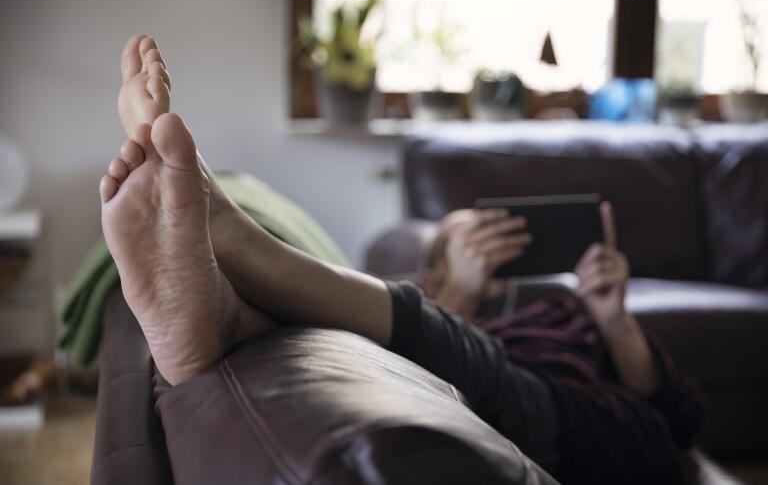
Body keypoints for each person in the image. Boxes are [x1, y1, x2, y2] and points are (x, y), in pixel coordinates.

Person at [99, 34, 705, 485]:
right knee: (425, 338)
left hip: (585, 425)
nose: (484, 244)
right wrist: (460, 294)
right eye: (460, 240)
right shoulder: (448, 309)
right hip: (485, 371)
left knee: (464, 351)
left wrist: (613, 318)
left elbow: (678, 416)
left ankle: (234, 239)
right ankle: (227, 311)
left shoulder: (566, 318)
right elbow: (433, 342)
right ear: (432, 270)